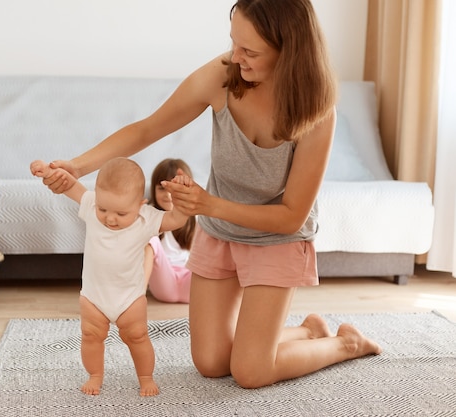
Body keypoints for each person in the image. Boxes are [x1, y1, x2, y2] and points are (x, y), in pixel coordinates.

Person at [40, 0, 382, 389]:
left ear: (290, 51)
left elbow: (291, 216)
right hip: (221, 233)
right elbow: (147, 129)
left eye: (250, 51)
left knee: (251, 372)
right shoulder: (224, 75)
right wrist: (79, 167)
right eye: (234, 42)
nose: (235, 58)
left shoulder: (317, 111)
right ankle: (306, 331)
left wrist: (208, 204)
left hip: (277, 238)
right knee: (211, 362)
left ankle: (344, 343)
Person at [30, 157, 191, 396]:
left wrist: (182, 196)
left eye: (121, 212)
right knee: (90, 336)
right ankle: (95, 374)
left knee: (137, 337)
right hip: (94, 297)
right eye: (103, 209)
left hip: (130, 298)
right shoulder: (92, 207)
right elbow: (71, 186)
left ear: (141, 204)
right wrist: (47, 173)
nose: (110, 218)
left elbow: (177, 219)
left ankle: (145, 377)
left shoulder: (147, 219)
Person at [144, 158, 196, 303]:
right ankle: (136, 298)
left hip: (190, 283)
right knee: (151, 239)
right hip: (164, 284)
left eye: (174, 189)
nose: (168, 195)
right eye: (162, 188)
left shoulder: (195, 219)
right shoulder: (150, 215)